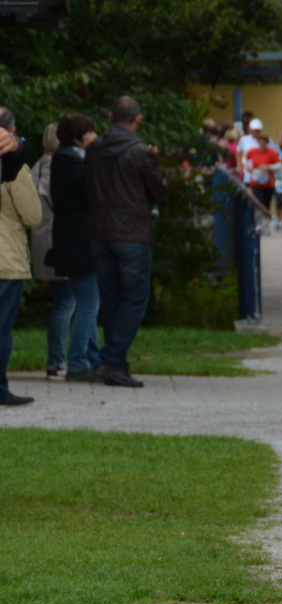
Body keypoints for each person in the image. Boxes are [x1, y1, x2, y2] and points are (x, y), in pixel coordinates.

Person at [85, 97, 168, 389]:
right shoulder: (139, 151)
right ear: (138, 119)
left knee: (111, 299)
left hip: (100, 233)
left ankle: (115, 363)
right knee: (134, 298)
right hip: (132, 235)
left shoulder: (93, 149)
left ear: (109, 116)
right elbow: (159, 191)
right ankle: (112, 360)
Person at [47, 114, 102, 383]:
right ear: (79, 138)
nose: (95, 136)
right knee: (89, 302)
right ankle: (79, 361)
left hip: (70, 240)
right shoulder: (76, 167)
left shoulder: (63, 162)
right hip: (81, 242)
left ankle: (91, 357)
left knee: (85, 300)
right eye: (91, 132)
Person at [0, 111, 43, 406]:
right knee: (1, 328)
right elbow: (32, 215)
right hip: (5, 257)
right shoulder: (14, 167)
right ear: (12, 131)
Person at [29, 121, 64, 378]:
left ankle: (57, 359)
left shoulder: (35, 169)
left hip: (41, 242)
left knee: (61, 300)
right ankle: (57, 359)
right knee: (68, 302)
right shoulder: (63, 168)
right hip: (62, 242)